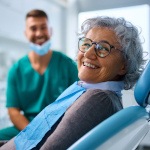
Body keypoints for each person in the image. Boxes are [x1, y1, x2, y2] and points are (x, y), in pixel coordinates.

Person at [0, 16, 145, 150]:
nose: (88, 54)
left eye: (103, 48)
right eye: (86, 44)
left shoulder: (98, 99)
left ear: (123, 65)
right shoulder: (86, 90)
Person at [0, 9, 78, 140]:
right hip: (28, 126)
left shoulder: (68, 65)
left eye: (43, 27)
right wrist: (33, 133)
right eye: (33, 28)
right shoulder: (16, 70)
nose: (39, 33)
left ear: (51, 31)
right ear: (26, 34)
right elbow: (13, 111)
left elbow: (78, 103)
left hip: (61, 126)